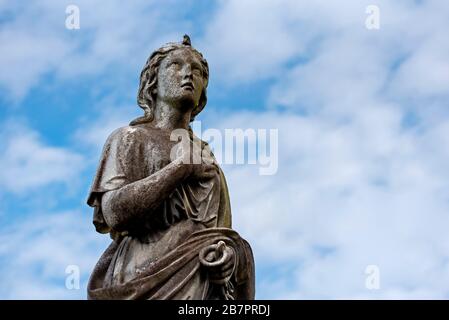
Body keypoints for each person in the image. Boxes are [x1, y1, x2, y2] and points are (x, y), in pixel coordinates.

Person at [86, 35, 255, 300]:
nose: (188, 74)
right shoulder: (130, 138)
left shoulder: (207, 158)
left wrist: (229, 257)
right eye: (176, 65)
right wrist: (180, 169)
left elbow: (220, 235)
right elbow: (115, 213)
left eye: (197, 71)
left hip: (199, 280)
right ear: (153, 82)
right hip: (142, 276)